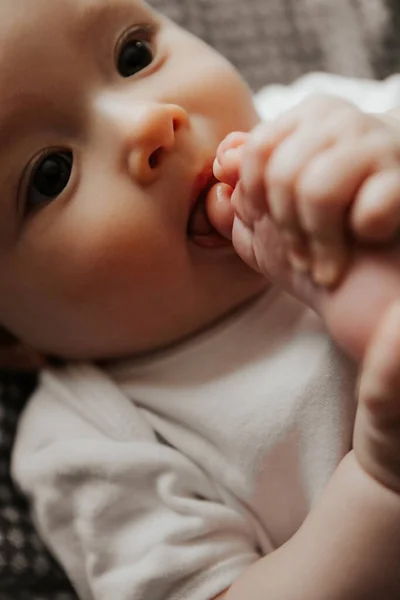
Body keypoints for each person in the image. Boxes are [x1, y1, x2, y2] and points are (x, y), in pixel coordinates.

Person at [1, 0, 400, 598]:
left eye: (134, 55)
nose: (148, 123)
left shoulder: (320, 124)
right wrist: (380, 482)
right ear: (11, 340)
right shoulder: (94, 437)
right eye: (50, 175)